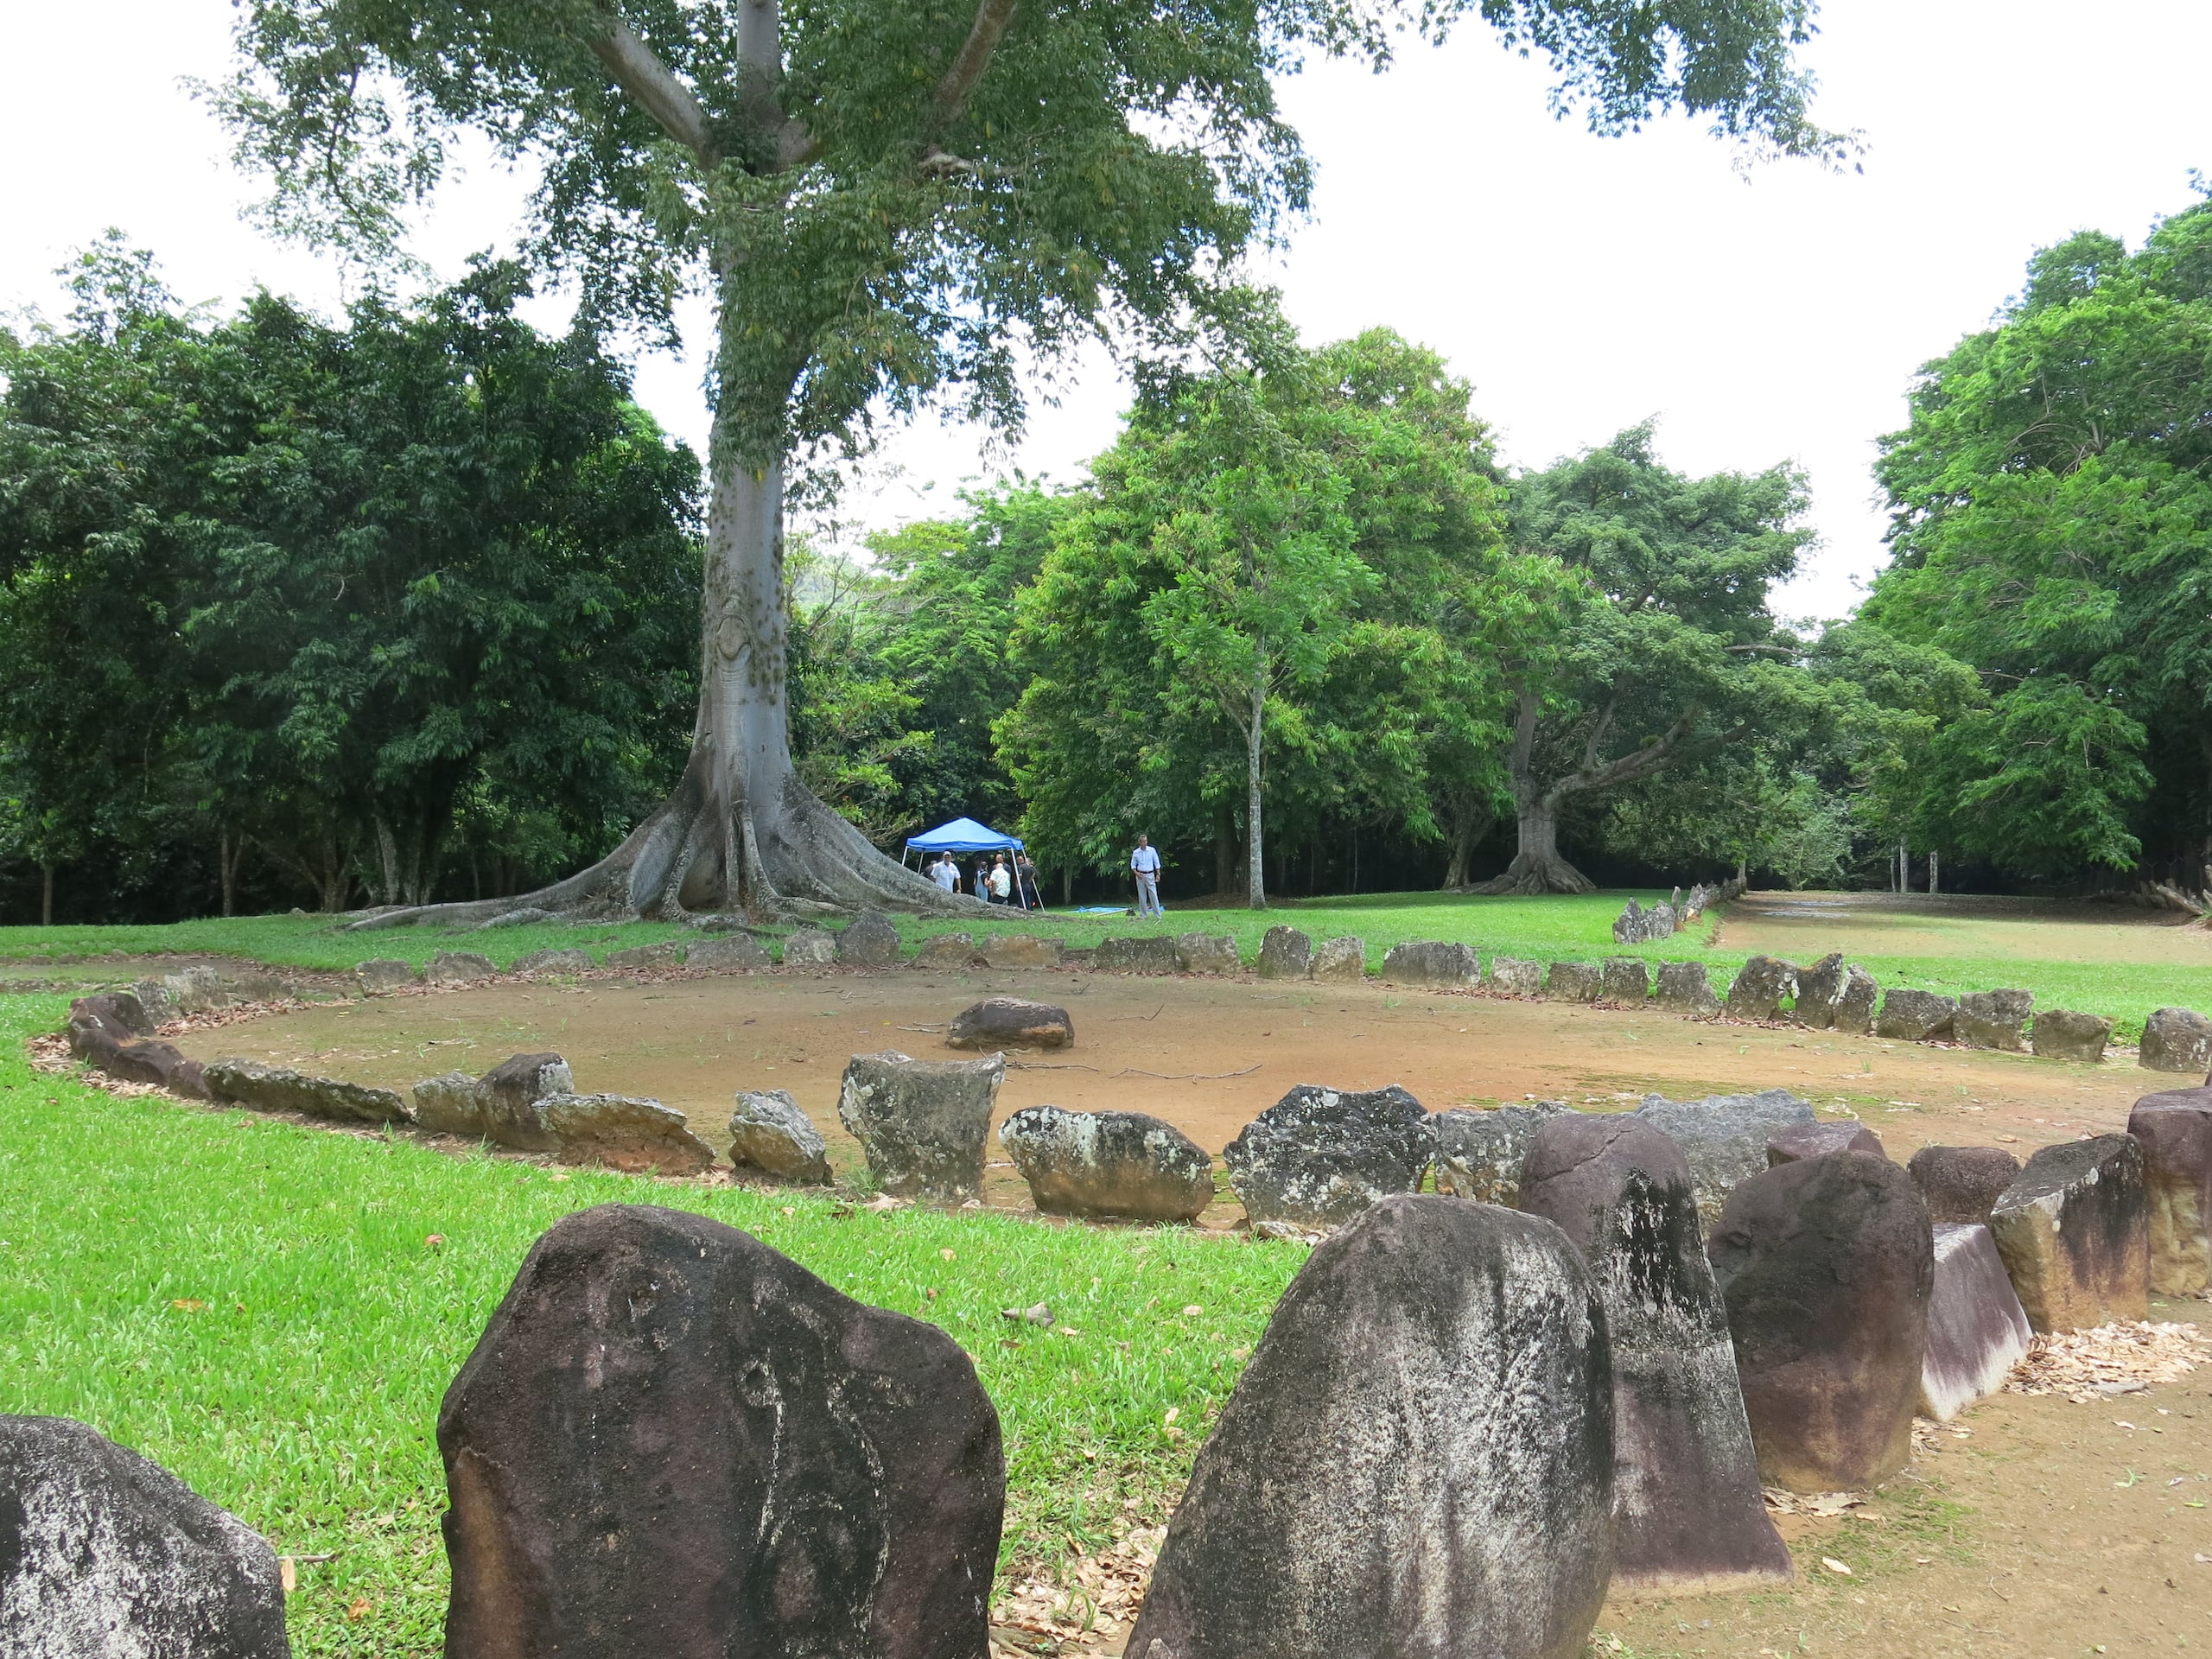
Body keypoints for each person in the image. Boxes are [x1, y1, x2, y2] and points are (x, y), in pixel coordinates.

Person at [1130, 833, 1163, 918]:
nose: (1145, 843)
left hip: (1150, 874)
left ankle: (1158, 915)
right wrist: (1137, 873)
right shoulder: (1136, 852)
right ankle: (1144, 915)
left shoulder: (1152, 850)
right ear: (1140, 842)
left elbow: (1157, 862)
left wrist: (1158, 874)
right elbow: (1133, 865)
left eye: (1146, 841)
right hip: (1140, 875)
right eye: (1143, 841)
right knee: (1142, 896)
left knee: (1153, 895)